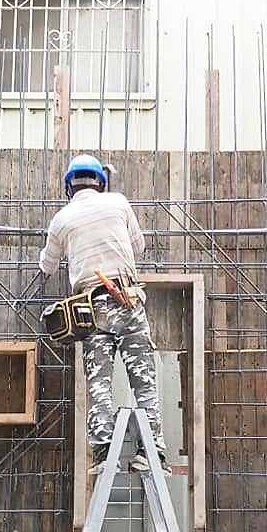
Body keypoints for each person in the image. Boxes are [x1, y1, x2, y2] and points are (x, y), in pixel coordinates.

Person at [39, 153, 170, 476]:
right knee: (144, 380)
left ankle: (102, 453)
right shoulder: (119, 202)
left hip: (90, 309)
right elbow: (138, 247)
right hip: (128, 300)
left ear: (69, 185)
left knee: (99, 382)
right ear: (101, 181)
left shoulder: (61, 218)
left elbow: (47, 266)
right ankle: (152, 455)